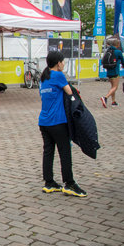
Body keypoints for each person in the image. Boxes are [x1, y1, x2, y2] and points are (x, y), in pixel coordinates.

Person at [39, 51, 87, 198]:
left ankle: (49, 183)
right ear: (58, 63)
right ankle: (70, 183)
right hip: (58, 122)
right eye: (63, 61)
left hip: (44, 121)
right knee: (65, 152)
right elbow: (69, 92)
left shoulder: (43, 78)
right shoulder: (58, 75)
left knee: (48, 152)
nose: (64, 63)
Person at [100, 37, 124, 108]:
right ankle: (105, 97)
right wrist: (123, 65)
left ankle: (113, 101)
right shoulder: (118, 52)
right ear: (117, 44)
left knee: (112, 87)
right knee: (115, 87)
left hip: (109, 72)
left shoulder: (108, 51)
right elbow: (123, 60)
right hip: (115, 71)